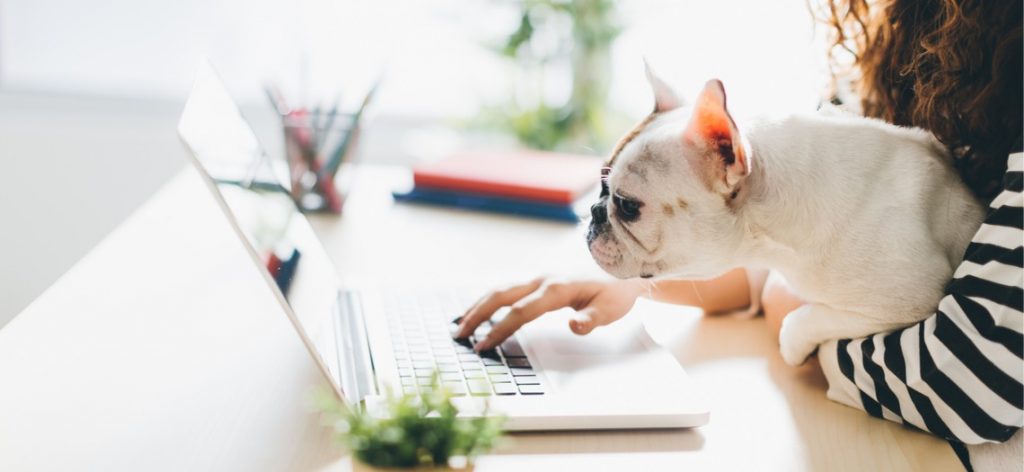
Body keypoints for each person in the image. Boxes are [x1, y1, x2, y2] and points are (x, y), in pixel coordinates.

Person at [454, 0, 1023, 463]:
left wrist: (797, 320)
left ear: (727, 150)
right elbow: (765, 235)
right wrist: (635, 278)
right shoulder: (881, 55)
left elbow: (969, 384)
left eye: (627, 207)